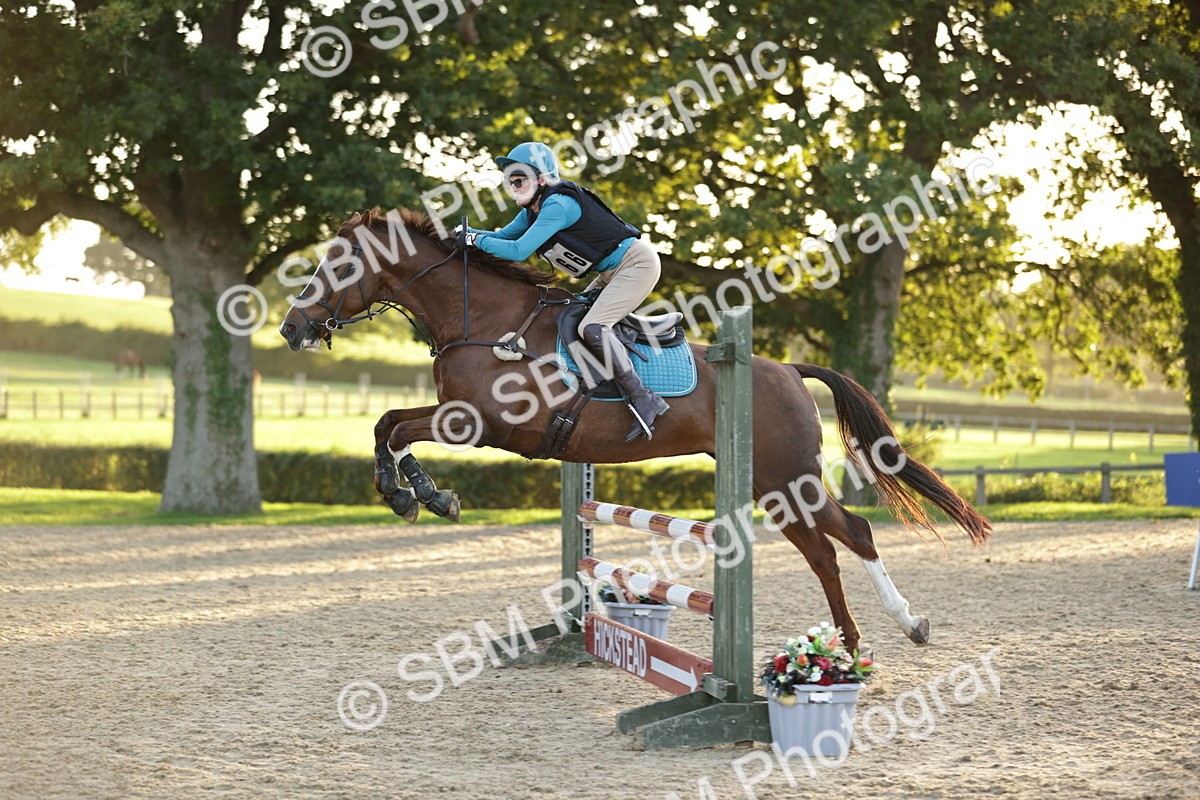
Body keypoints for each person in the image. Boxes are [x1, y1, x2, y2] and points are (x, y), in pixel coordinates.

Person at [455, 142, 669, 442]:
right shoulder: (532, 210)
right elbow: (501, 237)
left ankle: (645, 399)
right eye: (510, 181)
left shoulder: (558, 205)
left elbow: (517, 251)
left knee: (592, 326)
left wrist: (475, 240)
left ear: (541, 178)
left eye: (519, 179)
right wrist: (463, 236)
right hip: (611, 271)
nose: (513, 187)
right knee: (571, 315)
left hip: (637, 265)